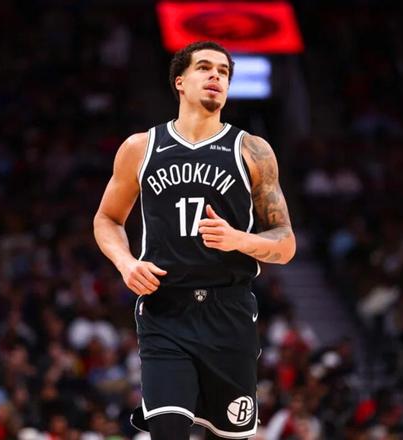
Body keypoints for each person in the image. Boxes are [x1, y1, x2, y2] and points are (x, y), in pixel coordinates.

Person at [93, 41, 296, 439]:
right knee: (168, 429)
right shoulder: (141, 147)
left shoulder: (253, 150)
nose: (216, 76)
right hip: (166, 310)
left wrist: (238, 239)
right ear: (180, 82)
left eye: (224, 72)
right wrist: (126, 263)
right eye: (205, 67)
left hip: (229, 314)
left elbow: (285, 243)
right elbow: (107, 219)